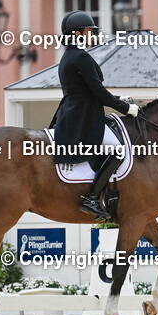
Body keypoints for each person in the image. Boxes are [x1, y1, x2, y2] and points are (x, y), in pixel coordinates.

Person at [50, 11, 139, 220]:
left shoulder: (68, 56)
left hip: (73, 113)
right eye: (89, 31)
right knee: (118, 150)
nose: (92, 35)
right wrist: (125, 109)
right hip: (83, 118)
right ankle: (91, 197)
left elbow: (89, 90)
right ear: (79, 33)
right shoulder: (81, 58)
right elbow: (98, 92)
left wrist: (119, 97)